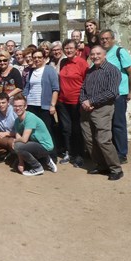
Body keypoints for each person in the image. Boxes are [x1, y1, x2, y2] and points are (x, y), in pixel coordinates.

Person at [80, 45, 123, 180]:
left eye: (98, 54)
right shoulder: (90, 71)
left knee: (103, 140)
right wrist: (84, 101)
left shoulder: (112, 70)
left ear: (104, 55)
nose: (95, 56)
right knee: (89, 139)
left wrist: (91, 101)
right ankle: (101, 165)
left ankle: (116, 168)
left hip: (103, 109)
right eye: (92, 54)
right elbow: (83, 89)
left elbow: (111, 92)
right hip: (86, 109)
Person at [99, 29, 131, 164]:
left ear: (113, 38)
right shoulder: (100, 53)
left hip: (118, 94)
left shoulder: (120, 52)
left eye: (107, 38)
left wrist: (128, 90)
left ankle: (122, 153)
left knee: (118, 124)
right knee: (106, 124)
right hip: (103, 96)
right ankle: (111, 151)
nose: (104, 41)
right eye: (102, 38)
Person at [57, 39, 89, 167]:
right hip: (62, 101)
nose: (68, 50)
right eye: (66, 48)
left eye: (71, 48)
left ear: (76, 50)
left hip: (76, 101)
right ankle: (68, 152)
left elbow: (87, 82)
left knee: (77, 129)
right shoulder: (63, 62)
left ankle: (79, 154)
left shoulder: (82, 63)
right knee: (66, 129)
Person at [11, 94, 57, 176]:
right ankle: (45, 159)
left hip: (45, 146)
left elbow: (24, 139)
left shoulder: (30, 117)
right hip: (34, 144)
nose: (17, 108)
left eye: (20, 106)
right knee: (15, 165)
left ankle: (38, 167)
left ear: (25, 106)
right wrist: (21, 162)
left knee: (17, 145)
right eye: (15, 106)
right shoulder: (17, 121)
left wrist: (14, 141)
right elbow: (19, 139)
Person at [22, 48, 59, 139]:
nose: (37, 59)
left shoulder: (50, 70)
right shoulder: (31, 71)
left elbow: (55, 89)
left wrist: (52, 105)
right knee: (33, 130)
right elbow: (27, 88)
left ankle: (50, 151)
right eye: (34, 57)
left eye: (39, 57)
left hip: (44, 106)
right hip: (31, 105)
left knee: (46, 130)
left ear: (44, 58)